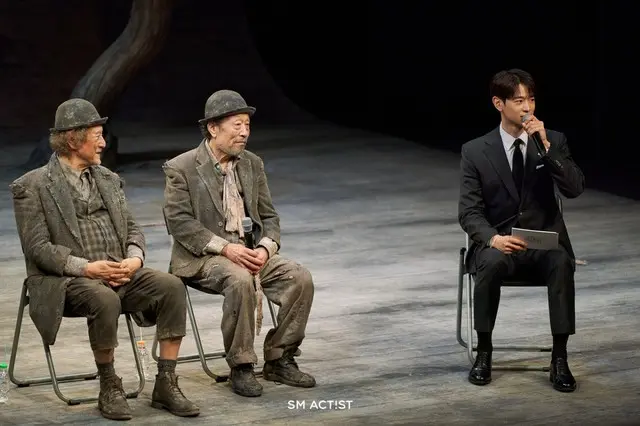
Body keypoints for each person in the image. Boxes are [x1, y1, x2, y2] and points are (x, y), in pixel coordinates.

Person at [10, 99, 200, 420]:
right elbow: (37, 248)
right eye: (97, 136)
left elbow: (132, 229)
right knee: (103, 299)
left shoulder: (108, 179)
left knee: (171, 286)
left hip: (119, 272)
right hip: (66, 280)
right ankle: (109, 385)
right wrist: (87, 268)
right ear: (73, 140)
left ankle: (166, 382)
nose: (103, 143)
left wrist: (134, 259)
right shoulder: (33, 186)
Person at [162, 89, 316, 397]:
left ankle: (280, 358)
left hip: (248, 251)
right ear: (213, 128)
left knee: (299, 278)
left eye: (247, 125)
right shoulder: (182, 167)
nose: (244, 132)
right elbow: (179, 223)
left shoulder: (252, 164)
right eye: (237, 125)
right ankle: (241, 365)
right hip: (203, 257)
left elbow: (269, 216)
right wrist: (225, 248)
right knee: (240, 279)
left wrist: (265, 249)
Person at [458, 69, 585, 392]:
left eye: (531, 99)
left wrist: (547, 148)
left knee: (561, 262)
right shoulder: (475, 151)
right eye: (518, 100)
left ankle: (560, 358)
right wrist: (493, 239)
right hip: (500, 243)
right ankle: (484, 352)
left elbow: (574, 189)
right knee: (490, 263)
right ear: (498, 103)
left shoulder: (553, 141)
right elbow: (469, 212)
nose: (527, 107)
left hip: (543, 243)